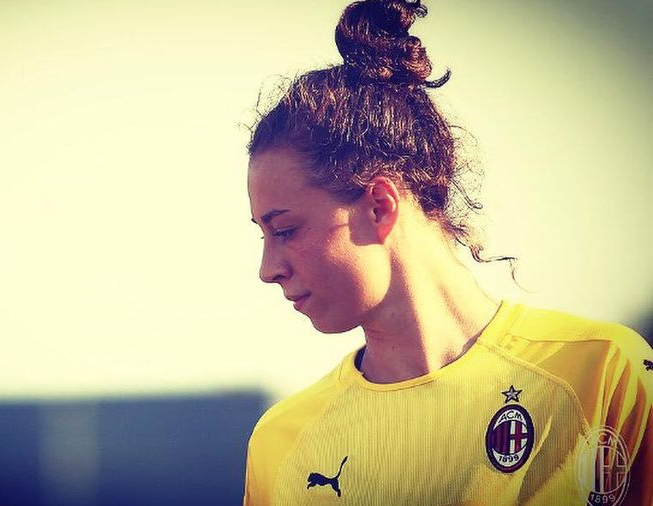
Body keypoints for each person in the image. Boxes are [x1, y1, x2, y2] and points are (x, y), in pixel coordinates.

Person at [242, 1, 652, 505]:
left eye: (285, 230)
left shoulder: (602, 375)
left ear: (379, 205)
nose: (267, 270)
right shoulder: (280, 444)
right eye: (263, 234)